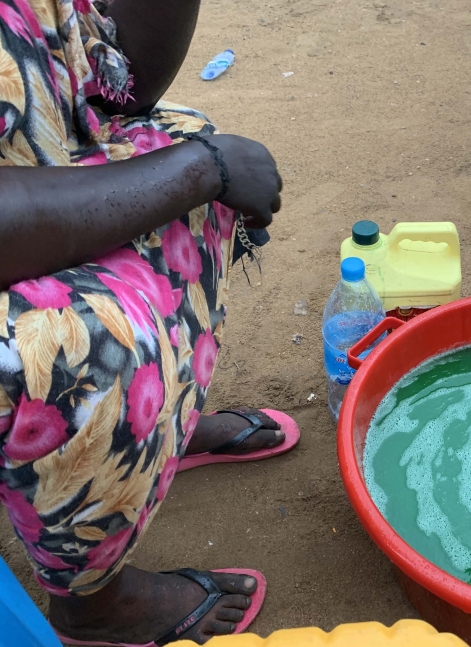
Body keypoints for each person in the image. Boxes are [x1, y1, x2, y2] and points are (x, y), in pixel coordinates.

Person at [0, 0, 301, 644]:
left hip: (38, 188)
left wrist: (194, 169)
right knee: (78, 347)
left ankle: (159, 426)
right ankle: (93, 609)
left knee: (175, 149)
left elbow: (123, 89)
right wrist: (202, 169)